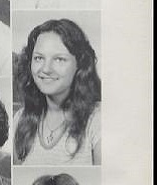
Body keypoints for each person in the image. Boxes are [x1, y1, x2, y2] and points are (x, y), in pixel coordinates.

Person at [13, 18, 101, 165]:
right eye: (39, 58)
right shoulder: (20, 119)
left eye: (59, 59)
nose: (46, 69)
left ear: (80, 65)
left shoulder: (97, 120)